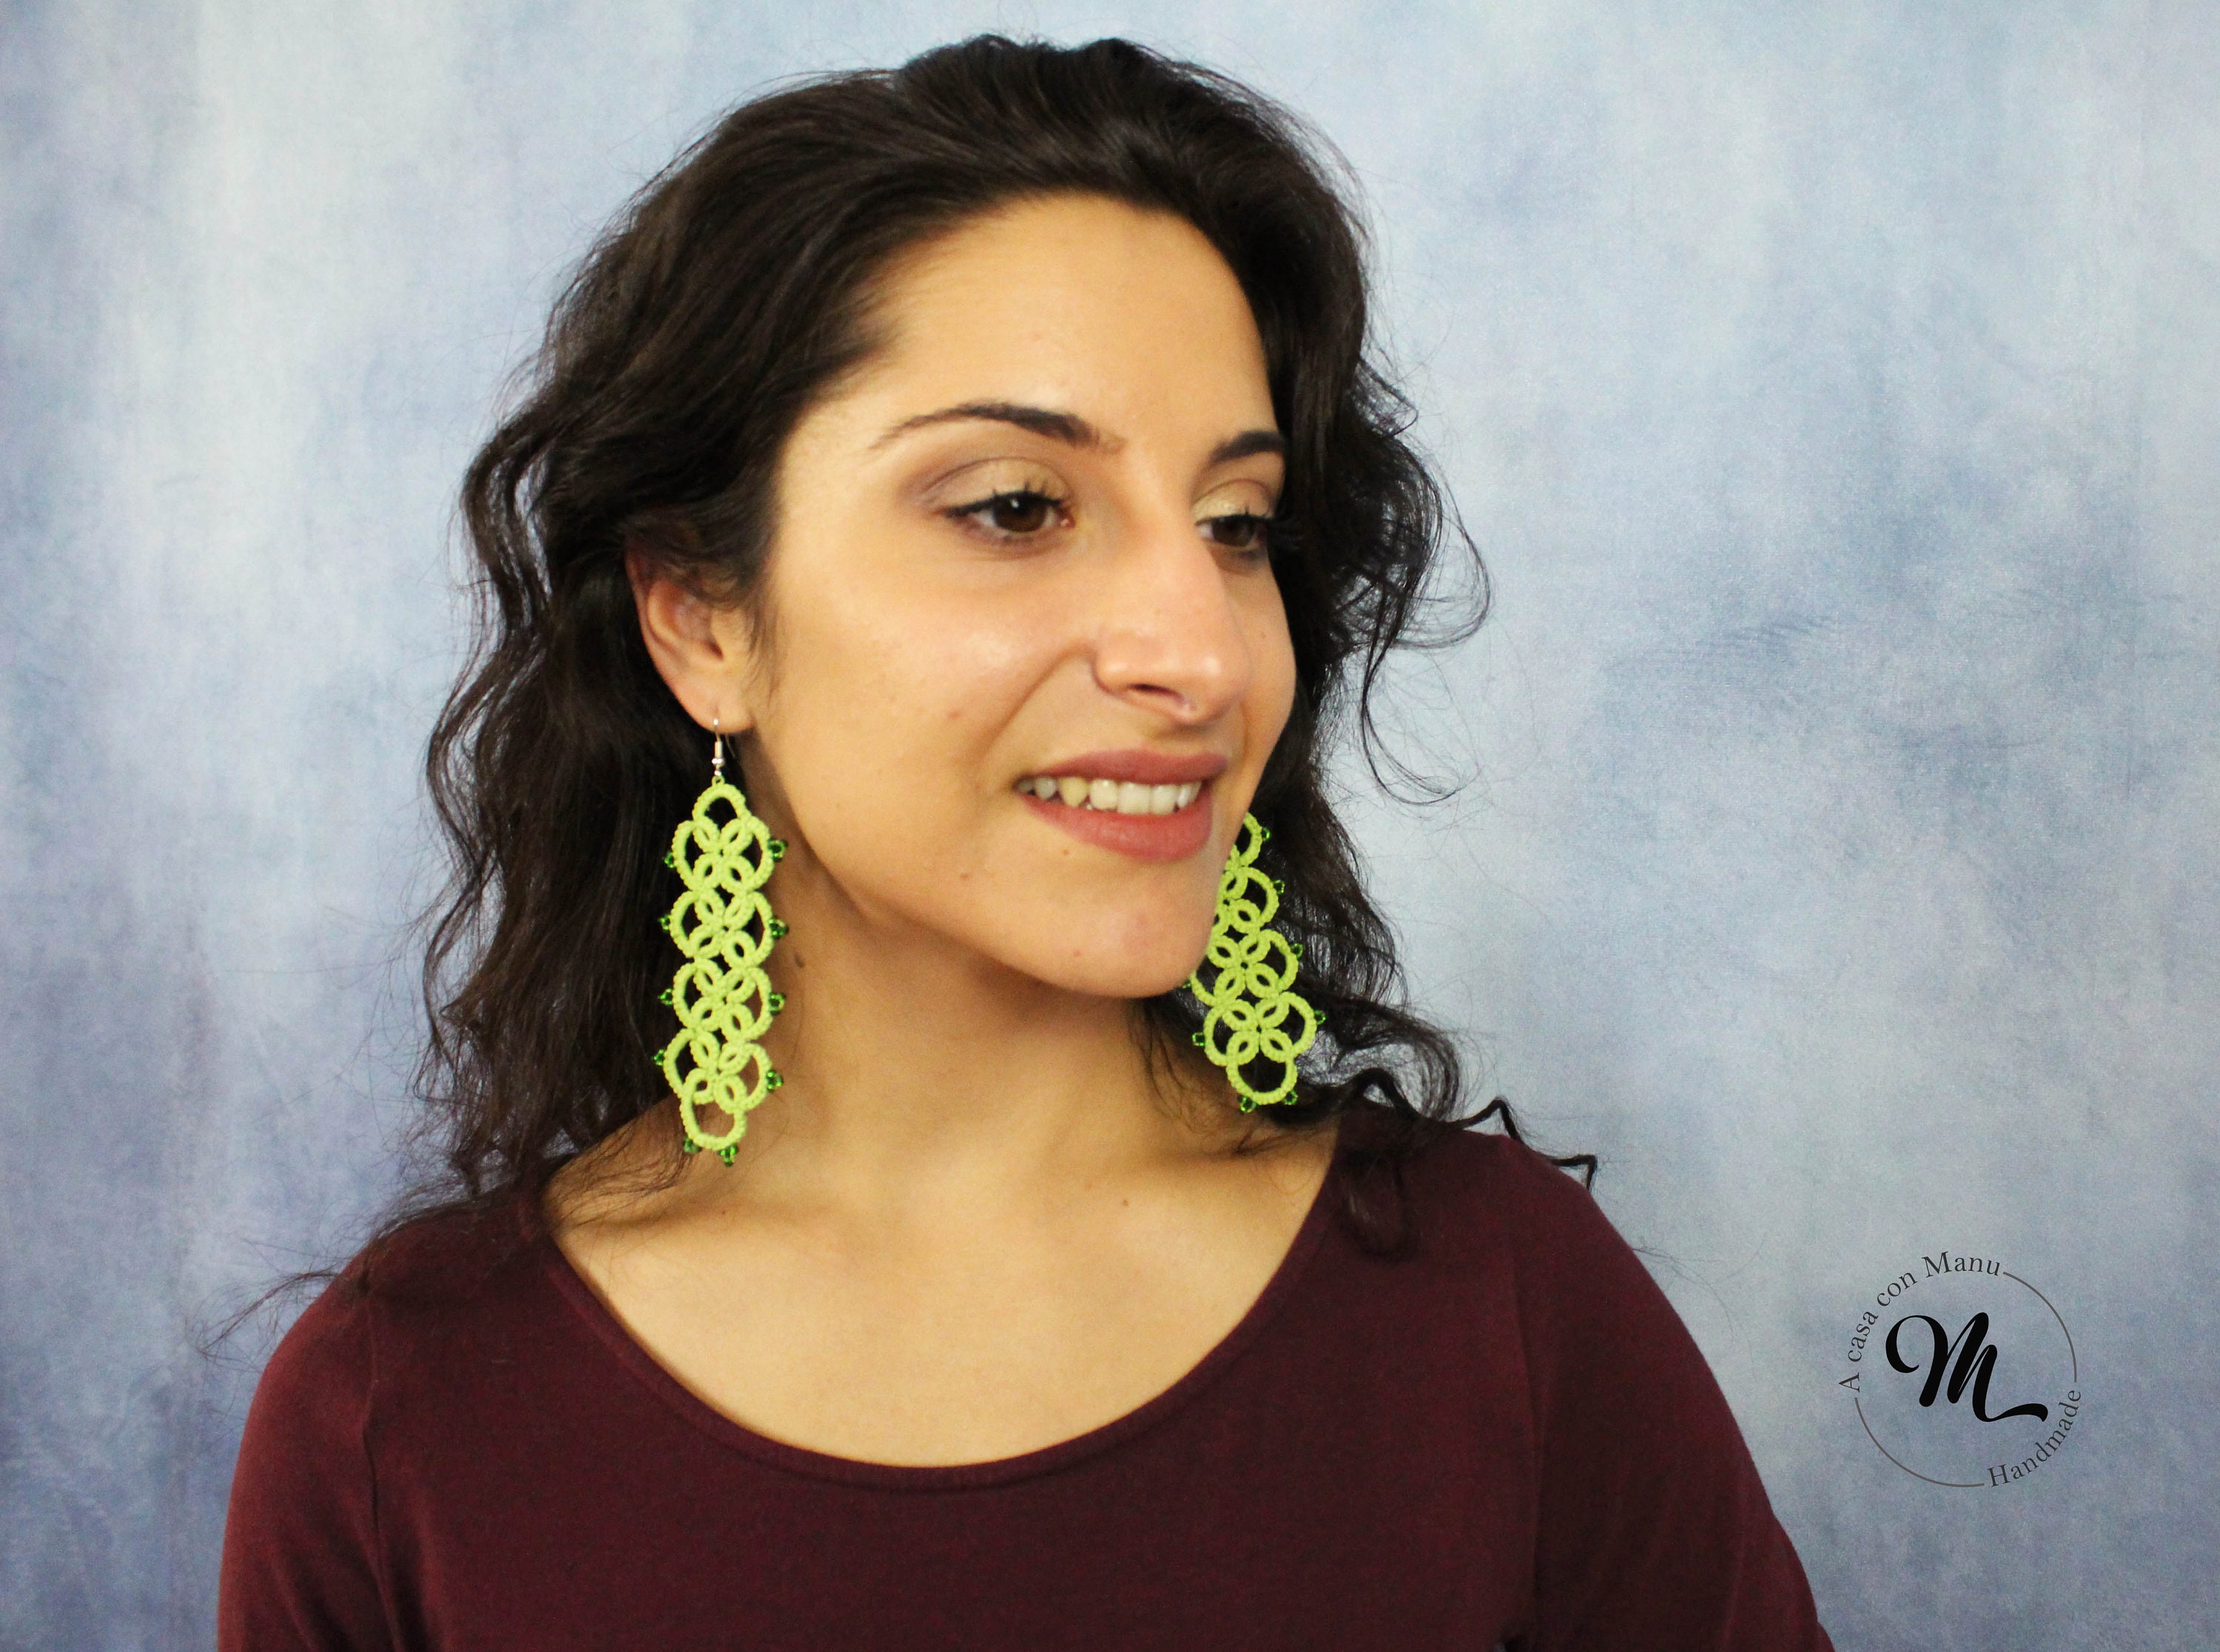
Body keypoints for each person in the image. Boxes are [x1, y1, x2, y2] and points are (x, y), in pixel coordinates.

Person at [218, 35, 1833, 1650]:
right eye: (1015, 507)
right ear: (702, 616)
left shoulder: (1507, 1310)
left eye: (1238, 526)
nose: (1199, 654)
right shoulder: (397, 1414)